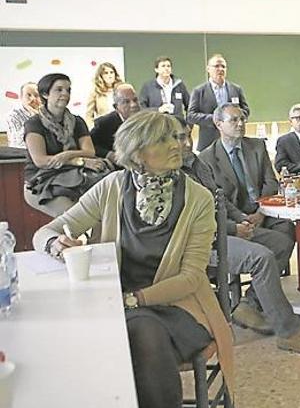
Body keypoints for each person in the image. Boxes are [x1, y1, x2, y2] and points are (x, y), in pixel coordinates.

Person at [33, 111, 234, 408]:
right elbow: (44, 233)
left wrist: (132, 300)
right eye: (163, 140)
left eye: (176, 137)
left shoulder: (199, 199)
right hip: (110, 304)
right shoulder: (111, 186)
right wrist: (58, 245)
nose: (177, 145)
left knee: (140, 332)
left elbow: (191, 277)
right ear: (138, 153)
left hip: (178, 306)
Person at [177, 118, 300, 354]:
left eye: (187, 136)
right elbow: (192, 221)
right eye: (178, 138)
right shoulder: (171, 175)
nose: (186, 143)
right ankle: (289, 332)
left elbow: (219, 202)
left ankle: (248, 304)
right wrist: (233, 228)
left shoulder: (195, 164)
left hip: (223, 228)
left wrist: (240, 220)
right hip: (199, 244)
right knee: (262, 258)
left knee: (280, 241)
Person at [198, 104, 296, 271]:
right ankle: (263, 278)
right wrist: (242, 218)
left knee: (288, 228)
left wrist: (261, 212)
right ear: (218, 123)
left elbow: (270, 182)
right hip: (234, 216)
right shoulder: (206, 158)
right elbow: (217, 197)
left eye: (243, 119)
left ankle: (263, 280)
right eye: (234, 120)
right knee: (280, 242)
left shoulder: (257, 146)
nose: (241, 124)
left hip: (262, 209)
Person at [23, 73, 110, 216]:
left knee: (102, 213)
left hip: (74, 179)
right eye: (59, 89)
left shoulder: (77, 122)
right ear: (45, 94)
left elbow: (90, 152)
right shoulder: (34, 124)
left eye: (68, 90)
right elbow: (41, 161)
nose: (65, 94)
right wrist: (79, 161)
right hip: (41, 183)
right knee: (78, 217)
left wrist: (66, 155)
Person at [188, 54, 250, 151]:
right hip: (208, 143)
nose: (220, 69)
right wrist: (215, 118)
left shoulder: (236, 89)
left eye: (223, 66)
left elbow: (246, 110)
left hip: (234, 141)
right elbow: (191, 116)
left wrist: (234, 118)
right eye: (217, 66)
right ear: (208, 69)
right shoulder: (199, 91)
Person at [90, 84, 141, 163]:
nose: (133, 105)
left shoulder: (146, 120)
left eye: (135, 100)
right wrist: (108, 154)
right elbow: (90, 145)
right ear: (116, 107)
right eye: (126, 102)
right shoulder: (104, 123)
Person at [85, 62, 124, 128]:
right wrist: (92, 128)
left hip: (122, 125)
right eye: (106, 73)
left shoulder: (122, 88)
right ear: (101, 76)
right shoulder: (95, 92)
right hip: (104, 127)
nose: (110, 75)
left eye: (112, 72)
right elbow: (89, 115)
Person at [5, 82, 40, 148]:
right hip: (20, 152)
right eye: (29, 95)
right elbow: (16, 142)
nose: (33, 99)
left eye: (36, 95)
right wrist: (34, 118)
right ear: (21, 97)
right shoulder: (13, 115)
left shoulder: (46, 112)